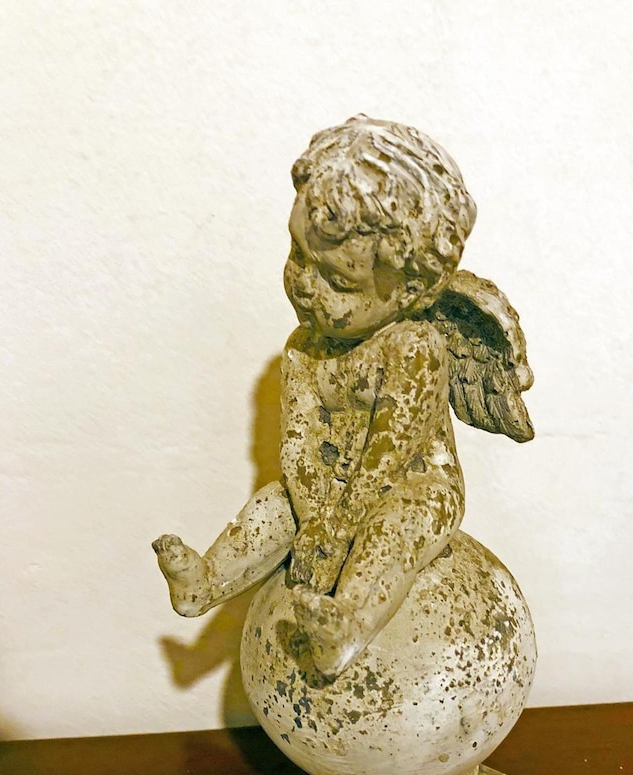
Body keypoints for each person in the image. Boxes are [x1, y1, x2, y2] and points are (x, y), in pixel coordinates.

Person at [154, 116, 478, 679]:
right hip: (325, 489)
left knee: (395, 529)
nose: (305, 285)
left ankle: (348, 624)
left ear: (411, 290)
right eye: (298, 254)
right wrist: (314, 516)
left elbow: (387, 462)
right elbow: (299, 449)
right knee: (271, 506)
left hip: (413, 487)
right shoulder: (305, 347)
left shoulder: (414, 348)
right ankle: (205, 583)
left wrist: (337, 528)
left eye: (339, 281)